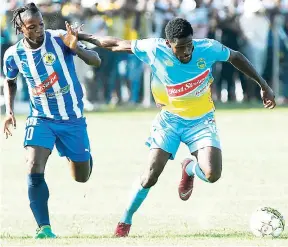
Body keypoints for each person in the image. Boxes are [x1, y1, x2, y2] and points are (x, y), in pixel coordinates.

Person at [77, 17, 276, 237]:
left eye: (189, 45)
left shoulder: (207, 48)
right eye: (180, 48)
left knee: (212, 174)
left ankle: (189, 168)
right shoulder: (154, 48)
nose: (186, 52)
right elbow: (115, 44)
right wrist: (83, 36)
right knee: (150, 175)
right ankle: (125, 221)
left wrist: (264, 86)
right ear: (168, 44)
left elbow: (236, 57)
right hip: (170, 121)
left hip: (201, 120)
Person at [2, 2, 101, 239]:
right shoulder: (13, 54)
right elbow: (11, 81)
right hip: (41, 118)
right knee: (33, 166)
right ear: (20, 28)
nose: (38, 30)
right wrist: (9, 110)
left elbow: (96, 60)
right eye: (32, 26)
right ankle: (44, 228)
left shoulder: (58, 39)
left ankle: (79, 156)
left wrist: (76, 47)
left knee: (81, 176)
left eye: (41, 24)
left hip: (72, 119)